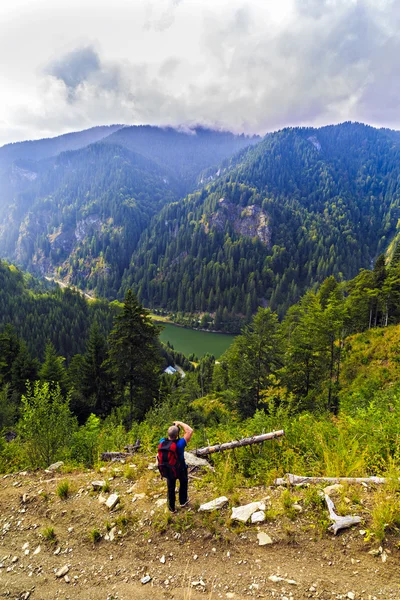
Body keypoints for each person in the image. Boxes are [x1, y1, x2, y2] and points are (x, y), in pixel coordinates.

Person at [158, 420, 193, 513]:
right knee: (183, 484)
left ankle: (171, 508)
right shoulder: (180, 444)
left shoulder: (162, 441)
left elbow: (171, 434)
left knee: (170, 488)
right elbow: (189, 431)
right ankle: (183, 502)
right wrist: (180, 423)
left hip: (168, 469)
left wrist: (173, 427)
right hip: (181, 468)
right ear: (177, 434)